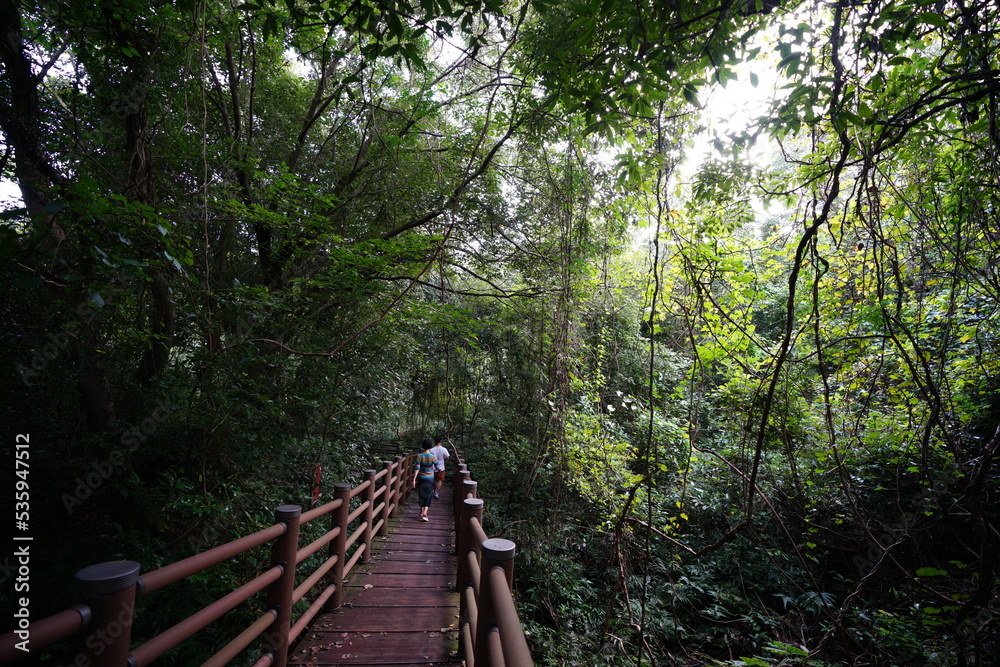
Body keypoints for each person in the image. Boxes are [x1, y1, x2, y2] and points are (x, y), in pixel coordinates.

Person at [411, 437, 436, 522]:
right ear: (430, 446)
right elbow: (438, 467)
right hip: (430, 478)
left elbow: (417, 468)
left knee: (421, 493)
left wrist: (414, 479)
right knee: (428, 495)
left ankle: (421, 510)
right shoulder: (433, 457)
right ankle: (425, 512)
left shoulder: (419, 456)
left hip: (421, 477)